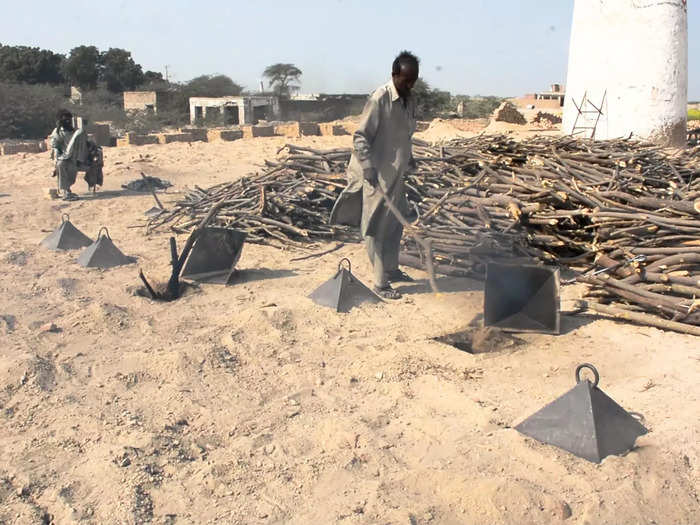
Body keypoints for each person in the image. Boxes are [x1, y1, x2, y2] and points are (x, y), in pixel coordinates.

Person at [330, 51, 420, 299]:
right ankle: (380, 283)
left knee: (394, 225)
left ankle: (391, 269)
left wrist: (408, 159)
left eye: (413, 80)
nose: (409, 85)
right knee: (375, 227)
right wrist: (368, 165)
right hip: (375, 173)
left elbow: (404, 134)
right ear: (394, 75)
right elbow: (360, 136)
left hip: (396, 173)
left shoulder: (410, 99)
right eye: (405, 80)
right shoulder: (380, 99)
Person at [50, 109, 87, 201]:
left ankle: (67, 190)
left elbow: (81, 147)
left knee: (71, 173)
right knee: (60, 166)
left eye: (68, 119)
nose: (67, 121)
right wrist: (57, 158)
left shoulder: (77, 132)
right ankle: (66, 192)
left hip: (75, 157)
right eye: (65, 119)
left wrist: (80, 159)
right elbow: (55, 146)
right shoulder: (57, 132)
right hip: (62, 157)